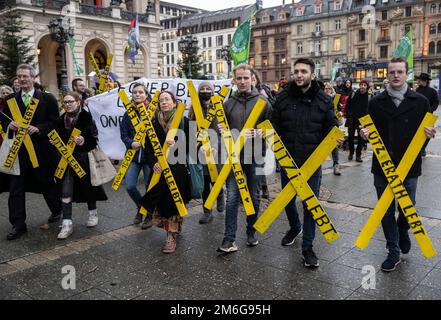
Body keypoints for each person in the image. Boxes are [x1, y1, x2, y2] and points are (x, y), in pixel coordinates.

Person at [359, 57, 436, 272]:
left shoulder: (420, 101)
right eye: (391, 72)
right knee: (385, 210)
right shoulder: (375, 102)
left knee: (406, 208)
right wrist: (364, 134)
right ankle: (392, 251)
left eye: (399, 72)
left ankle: (403, 229)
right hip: (382, 166)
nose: (395, 75)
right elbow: (367, 129)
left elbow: (425, 133)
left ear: (406, 74)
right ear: (387, 74)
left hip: (409, 166)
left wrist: (429, 134)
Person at [271, 58, 340, 268]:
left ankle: (308, 248)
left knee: (310, 204)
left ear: (312, 73)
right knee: (286, 200)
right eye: (296, 71)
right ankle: (294, 227)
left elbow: (332, 125)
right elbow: (273, 125)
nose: (299, 75)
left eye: (303, 71)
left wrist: (336, 135)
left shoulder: (323, 99)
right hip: (288, 159)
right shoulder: (282, 98)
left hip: (312, 160)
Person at [0, 64, 62, 240]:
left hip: (40, 150)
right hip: (18, 152)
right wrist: (8, 125)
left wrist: (39, 128)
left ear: (33, 78)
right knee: (15, 189)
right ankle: (18, 224)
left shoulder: (47, 99)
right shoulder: (10, 99)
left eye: (25, 76)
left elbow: (54, 122)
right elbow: (3, 122)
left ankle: (57, 209)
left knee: (46, 183)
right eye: (19, 76)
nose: (22, 79)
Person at [217, 64, 272, 253]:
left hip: (256, 155)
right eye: (239, 78)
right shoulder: (228, 103)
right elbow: (221, 128)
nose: (242, 82)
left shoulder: (263, 103)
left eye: (245, 78)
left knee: (254, 195)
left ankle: (251, 231)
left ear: (253, 79)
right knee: (232, 197)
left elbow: (272, 130)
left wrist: (260, 132)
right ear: (234, 80)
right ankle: (229, 239)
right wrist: (221, 130)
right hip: (234, 156)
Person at [139, 90, 191, 253]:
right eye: (161, 100)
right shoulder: (153, 122)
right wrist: (153, 162)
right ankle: (172, 229)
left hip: (177, 168)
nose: (164, 102)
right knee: (162, 202)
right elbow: (147, 147)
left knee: (173, 200)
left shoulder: (184, 121)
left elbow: (192, 145)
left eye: (167, 99)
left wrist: (177, 144)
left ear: (174, 102)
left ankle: (171, 236)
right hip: (159, 171)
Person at [51, 92, 108, 239]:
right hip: (66, 161)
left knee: (88, 187)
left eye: (70, 101)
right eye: (65, 102)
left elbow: (94, 140)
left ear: (78, 102)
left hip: (83, 159)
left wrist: (83, 141)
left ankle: (93, 213)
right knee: (65, 191)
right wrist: (54, 143)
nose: (68, 104)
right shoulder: (60, 120)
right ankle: (67, 223)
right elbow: (56, 138)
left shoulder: (86, 118)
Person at [188, 81, 225, 224]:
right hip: (201, 149)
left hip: (217, 149)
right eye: (202, 89)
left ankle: (220, 193)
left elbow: (224, 128)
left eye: (207, 88)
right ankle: (207, 211)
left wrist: (218, 144)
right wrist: (196, 147)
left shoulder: (219, 107)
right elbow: (192, 130)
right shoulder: (193, 110)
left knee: (215, 179)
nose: (205, 91)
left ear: (212, 91)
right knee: (204, 181)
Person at [120, 83, 153, 229]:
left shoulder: (154, 112)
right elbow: (124, 135)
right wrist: (130, 142)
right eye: (135, 92)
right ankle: (141, 207)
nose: (137, 94)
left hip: (149, 157)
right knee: (130, 186)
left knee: (149, 187)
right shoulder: (128, 114)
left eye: (140, 92)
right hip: (133, 156)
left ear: (146, 95)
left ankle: (149, 214)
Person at [345, 78, 371, 162]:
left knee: (361, 138)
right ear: (359, 86)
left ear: (367, 87)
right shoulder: (353, 94)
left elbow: (371, 109)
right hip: (352, 119)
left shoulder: (369, 97)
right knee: (350, 137)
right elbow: (347, 106)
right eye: (361, 85)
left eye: (365, 85)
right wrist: (349, 116)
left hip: (363, 120)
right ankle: (351, 152)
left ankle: (358, 155)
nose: (363, 87)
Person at [416, 72, 439, 157]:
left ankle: (423, 149)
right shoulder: (417, 90)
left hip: (428, 116)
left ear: (425, 81)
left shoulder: (432, 91)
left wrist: (430, 110)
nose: (418, 81)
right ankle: (419, 148)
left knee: (428, 133)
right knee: (418, 132)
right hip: (417, 115)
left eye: (420, 80)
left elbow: (435, 103)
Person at [324, 82, 342, 175]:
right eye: (325, 88)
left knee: (334, 146)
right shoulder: (320, 99)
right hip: (322, 125)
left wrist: (340, 113)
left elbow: (339, 109)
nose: (327, 90)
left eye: (329, 88)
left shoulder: (335, 98)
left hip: (333, 124)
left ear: (332, 89)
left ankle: (336, 165)